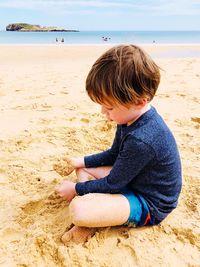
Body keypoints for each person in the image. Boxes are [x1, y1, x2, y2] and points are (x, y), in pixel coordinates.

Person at [56, 44, 182, 244]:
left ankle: (95, 221)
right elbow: (114, 154)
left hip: (149, 202)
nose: (103, 113)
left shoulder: (142, 139)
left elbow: (114, 183)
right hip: (132, 179)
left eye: (109, 107)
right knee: (84, 169)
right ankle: (101, 208)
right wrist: (79, 161)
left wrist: (76, 189)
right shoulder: (129, 118)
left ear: (139, 101)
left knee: (79, 210)